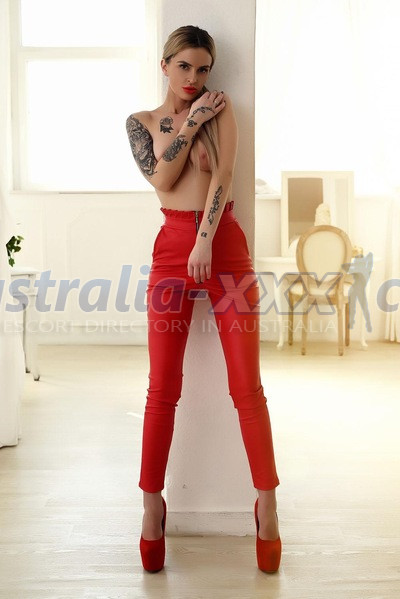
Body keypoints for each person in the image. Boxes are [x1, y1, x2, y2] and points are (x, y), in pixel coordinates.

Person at [126, 25, 281, 574]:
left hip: (225, 248)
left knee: (247, 387)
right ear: (165, 65)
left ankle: (267, 506)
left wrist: (206, 240)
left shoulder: (223, 109)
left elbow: (226, 177)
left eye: (203, 69)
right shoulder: (142, 123)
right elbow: (163, 178)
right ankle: (152, 507)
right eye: (185, 66)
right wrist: (190, 123)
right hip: (171, 250)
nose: (195, 78)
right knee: (162, 388)